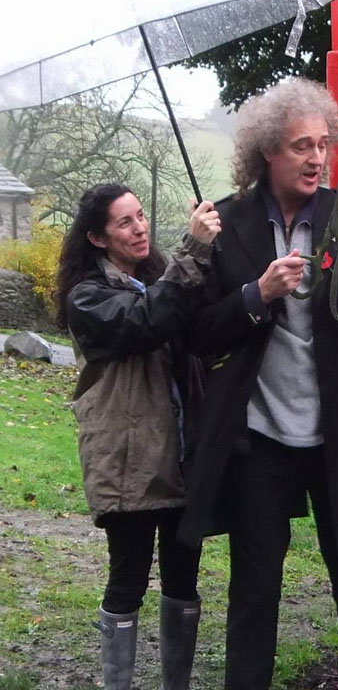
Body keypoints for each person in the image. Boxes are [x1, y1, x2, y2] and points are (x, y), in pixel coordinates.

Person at [178, 78, 338, 690]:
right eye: (301, 146)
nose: (316, 158)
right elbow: (198, 334)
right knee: (255, 593)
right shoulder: (225, 223)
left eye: (323, 145)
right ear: (266, 154)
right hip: (260, 439)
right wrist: (258, 295)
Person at [55, 183, 221, 690]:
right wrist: (192, 252)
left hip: (181, 455)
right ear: (98, 238)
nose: (141, 227)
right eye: (125, 222)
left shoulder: (158, 279)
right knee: (128, 579)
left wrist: (213, 251)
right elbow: (145, 323)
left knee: (183, 581)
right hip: (127, 460)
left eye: (142, 216)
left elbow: (197, 318)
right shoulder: (88, 297)